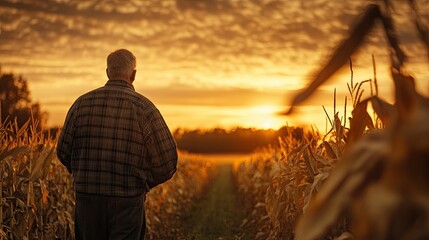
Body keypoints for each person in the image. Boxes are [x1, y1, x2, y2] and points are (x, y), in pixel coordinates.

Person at [57, 49, 178, 240]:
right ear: (134, 75)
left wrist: (85, 174)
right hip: (128, 202)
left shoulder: (81, 104)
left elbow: (63, 151)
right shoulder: (144, 109)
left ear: (107, 72)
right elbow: (168, 162)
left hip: (87, 200)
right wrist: (143, 183)